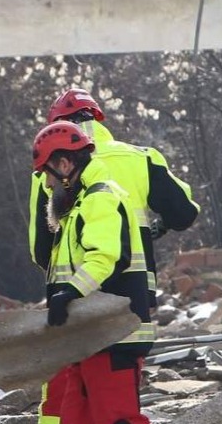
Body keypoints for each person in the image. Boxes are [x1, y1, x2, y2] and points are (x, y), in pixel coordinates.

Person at [28, 121, 155, 424]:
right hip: (89, 335)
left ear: (65, 165)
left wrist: (70, 294)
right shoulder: (82, 200)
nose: (47, 183)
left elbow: (103, 258)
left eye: (47, 174)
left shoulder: (100, 196)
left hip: (113, 333)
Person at [32, 87, 199, 300]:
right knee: (137, 335)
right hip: (133, 292)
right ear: (97, 118)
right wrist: (161, 226)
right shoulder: (143, 158)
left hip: (71, 295)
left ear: (57, 126)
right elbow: (184, 213)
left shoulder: (50, 170)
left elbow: (40, 248)